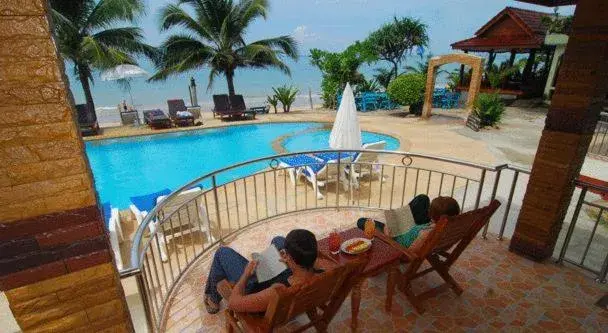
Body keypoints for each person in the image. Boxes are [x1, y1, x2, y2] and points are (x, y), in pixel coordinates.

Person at [203, 229, 321, 314]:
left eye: (286, 254)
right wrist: (288, 262)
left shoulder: (277, 290)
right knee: (279, 241)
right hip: (289, 272)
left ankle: (213, 299)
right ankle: (264, 264)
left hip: (252, 287)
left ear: (288, 258)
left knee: (222, 253)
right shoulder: (321, 273)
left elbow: (233, 303)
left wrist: (246, 274)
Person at [357, 195, 460, 254]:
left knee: (361, 221)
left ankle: (397, 216)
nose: (428, 210)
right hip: (414, 229)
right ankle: (399, 216)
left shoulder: (426, 233)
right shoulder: (453, 225)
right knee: (422, 199)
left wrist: (390, 229)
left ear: (432, 214)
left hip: (396, 239)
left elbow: (409, 252)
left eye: (430, 210)